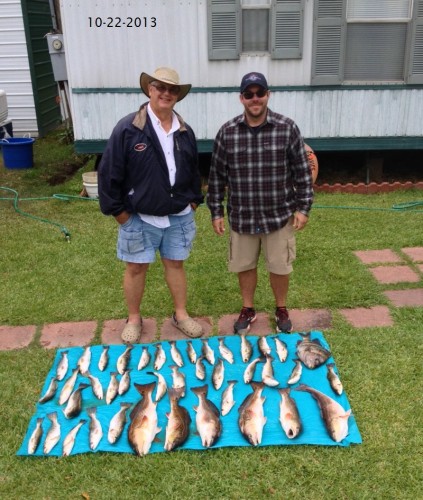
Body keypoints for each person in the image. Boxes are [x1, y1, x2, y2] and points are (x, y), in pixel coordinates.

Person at [98, 67, 204, 343]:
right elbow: (108, 173)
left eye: (172, 89)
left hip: (179, 216)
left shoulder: (185, 130)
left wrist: (194, 201)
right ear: (150, 90)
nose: (166, 93)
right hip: (139, 217)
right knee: (136, 268)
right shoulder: (128, 128)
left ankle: (181, 315)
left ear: (177, 95)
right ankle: (134, 319)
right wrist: (120, 214)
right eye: (160, 87)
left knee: (176, 264)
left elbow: (194, 170)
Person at [207, 72, 314, 334]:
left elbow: (302, 171)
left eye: (260, 93)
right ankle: (248, 308)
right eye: (249, 94)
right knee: (244, 265)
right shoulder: (227, 132)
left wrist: (303, 208)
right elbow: (217, 175)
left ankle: (281, 308)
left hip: (278, 215)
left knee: (279, 266)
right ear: (241, 98)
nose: (255, 99)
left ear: (268, 95)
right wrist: (216, 211)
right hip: (242, 216)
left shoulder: (287, 128)